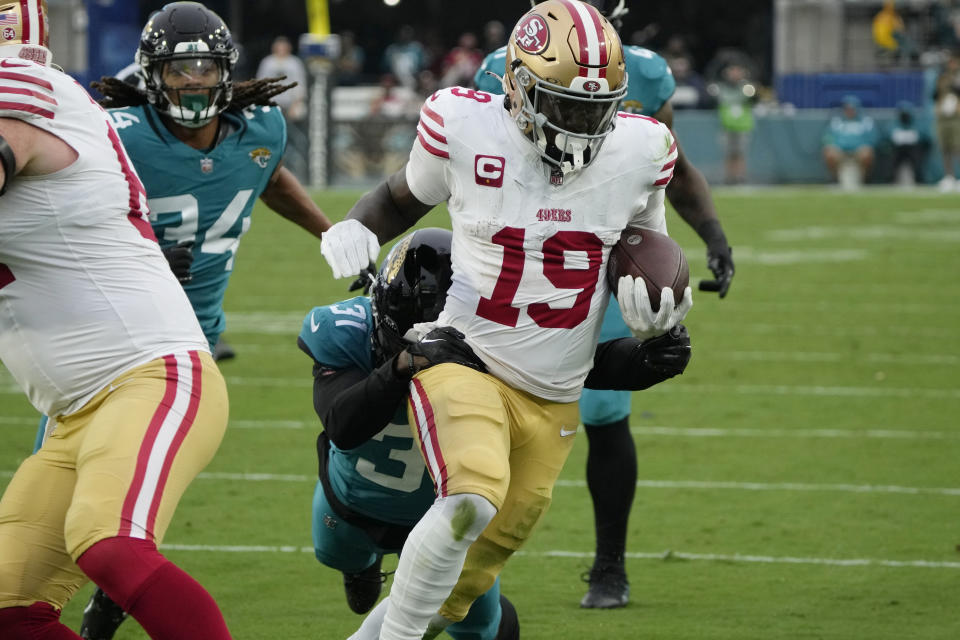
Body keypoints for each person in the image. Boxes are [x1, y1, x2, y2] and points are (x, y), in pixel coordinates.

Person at [320, 2, 694, 638]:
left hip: (555, 392)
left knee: (464, 579)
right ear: (518, 88)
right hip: (463, 356)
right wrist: (357, 222)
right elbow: (400, 196)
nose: (581, 126)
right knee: (469, 500)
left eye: (595, 110)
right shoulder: (465, 125)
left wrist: (662, 326)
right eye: (565, 106)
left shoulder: (641, 148)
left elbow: (643, 252)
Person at [77, 3, 333, 637]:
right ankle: (97, 589)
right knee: (78, 482)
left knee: (118, 487)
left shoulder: (261, 129)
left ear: (225, 69)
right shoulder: (119, 133)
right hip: (108, 334)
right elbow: (68, 212)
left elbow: (267, 178)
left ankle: (106, 591)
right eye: (179, 67)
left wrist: (332, 233)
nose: (193, 81)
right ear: (151, 73)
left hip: (188, 343)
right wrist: (138, 246)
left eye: (203, 66)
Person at [473, 0, 735, 610]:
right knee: (486, 406)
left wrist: (714, 236)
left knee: (605, 415)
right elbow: (474, 168)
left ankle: (609, 566)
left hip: (601, 257)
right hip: (520, 263)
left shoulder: (642, 72)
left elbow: (672, 165)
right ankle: (460, 556)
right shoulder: (502, 65)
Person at [0, 2, 233, 639]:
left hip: (148, 377)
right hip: (73, 413)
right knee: (8, 608)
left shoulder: (29, 100)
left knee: (109, 545)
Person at [303, 228, 519, 640]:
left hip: (447, 510)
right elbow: (342, 425)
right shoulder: (346, 330)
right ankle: (362, 568)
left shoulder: (500, 340)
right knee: (335, 557)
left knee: (479, 627)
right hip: (351, 501)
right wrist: (400, 366)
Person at [712, 63, 756, 185]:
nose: (735, 74)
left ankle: (740, 176)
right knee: (728, 153)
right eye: (732, 71)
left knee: (740, 153)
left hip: (742, 126)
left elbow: (754, 98)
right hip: (727, 125)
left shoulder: (747, 88)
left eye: (737, 71)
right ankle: (729, 177)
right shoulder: (721, 88)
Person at [822, 95, 878, 188]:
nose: (850, 111)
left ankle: (865, 180)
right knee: (829, 152)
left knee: (867, 152)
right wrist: (835, 145)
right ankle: (835, 179)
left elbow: (874, 138)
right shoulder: (837, 121)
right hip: (841, 152)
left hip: (858, 152)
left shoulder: (866, 121)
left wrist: (863, 146)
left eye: (852, 108)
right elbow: (827, 137)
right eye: (847, 108)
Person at [886, 100, 930, 185]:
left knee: (917, 156)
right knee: (893, 157)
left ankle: (919, 180)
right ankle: (890, 180)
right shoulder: (893, 124)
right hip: (897, 151)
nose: (905, 116)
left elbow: (925, 138)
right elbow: (887, 137)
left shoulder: (917, 124)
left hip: (913, 151)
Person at [934, 53, 960, 191]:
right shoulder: (942, 78)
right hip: (943, 117)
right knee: (945, 148)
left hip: (957, 117)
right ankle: (949, 177)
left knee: (958, 148)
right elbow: (935, 94)